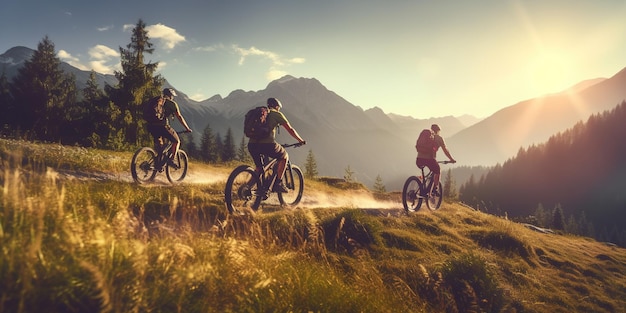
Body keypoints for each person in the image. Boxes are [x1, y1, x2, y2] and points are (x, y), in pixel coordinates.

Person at [247, 97, 306, 192]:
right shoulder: (276, 114)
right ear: (277, 106)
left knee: (259, 168)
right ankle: (278, 183)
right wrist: (300, 140)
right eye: (279, 107)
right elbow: (290, 129)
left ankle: (246, 188)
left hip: (252, 144)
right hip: (267, 145)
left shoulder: (260, 114)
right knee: (284, 156)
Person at [146, 88, 192, 167]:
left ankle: (157, 164)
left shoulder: (157, 101)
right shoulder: (172, 104)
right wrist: (187, 128)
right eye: (173, 96)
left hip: (151, 126)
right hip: (163, 126)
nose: (173, 98)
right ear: (170, 96)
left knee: (160, 146)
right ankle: (172, 160)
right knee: (177, 141)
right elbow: (179, 117)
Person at [416, 124, 456, 195]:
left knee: (428, 172)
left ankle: (421, 190)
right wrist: (451, 159)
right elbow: (445, 150)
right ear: (438, 131)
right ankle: (435, 188)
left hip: (419, 159)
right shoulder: (439, 138)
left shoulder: (425, 135)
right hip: (430, 159)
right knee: (437, 170)